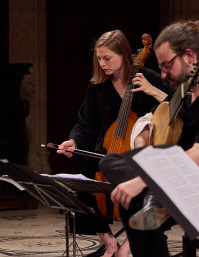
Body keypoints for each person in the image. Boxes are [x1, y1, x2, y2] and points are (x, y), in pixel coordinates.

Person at [98, 20, 199, 257]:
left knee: (135, 198)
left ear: (189, 56)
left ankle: (153, 196)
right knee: (111, 162)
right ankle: (155, 198)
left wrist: (143, 179)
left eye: (166, 65)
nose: (163, 74)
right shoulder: (187, 92)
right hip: (186, 175)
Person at [55, 30, 169, 257]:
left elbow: (176, 109)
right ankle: (109, 243)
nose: (102, 63)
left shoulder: (148, 78)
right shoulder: (98, 87)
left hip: (144, 160)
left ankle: (129, 243)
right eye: (99, 58)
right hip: (107, 156)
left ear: (125, 54)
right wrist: (73, 141)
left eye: (107, 58)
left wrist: (152, 90)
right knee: (79, 189)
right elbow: (86, 125)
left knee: (156, 194)